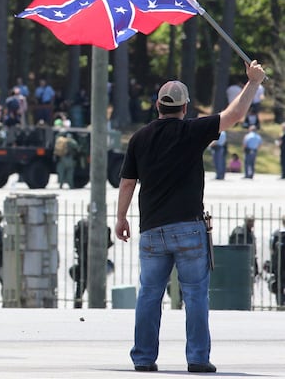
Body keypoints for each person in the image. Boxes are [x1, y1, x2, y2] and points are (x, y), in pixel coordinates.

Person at [114, 60, 266, 373]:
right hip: (188, 227)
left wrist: (121, 218)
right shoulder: (192, 131)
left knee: (149, 295)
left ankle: (143, 358)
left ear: (157, 105)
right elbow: (234, 115)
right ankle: (197, 358)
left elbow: (127, 181)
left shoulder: (139, 138)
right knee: (196, 295)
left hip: (152, 230)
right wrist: (253, 82)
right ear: (185, 107)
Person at [68, 216, 114, 308]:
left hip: (83, 261)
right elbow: (107, 243)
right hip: (98, 261)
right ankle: (99, 304)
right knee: (97, 285)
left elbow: (76, 242)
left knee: (81, 285)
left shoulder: (81, 225)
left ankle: (78, 304)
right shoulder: (104, 227)